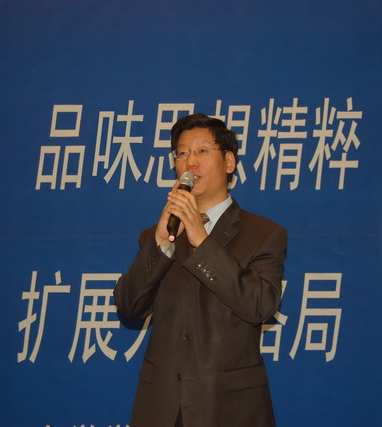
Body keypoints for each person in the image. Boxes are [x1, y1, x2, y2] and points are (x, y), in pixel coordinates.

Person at [114, 113, 287, 427]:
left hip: (230, 409)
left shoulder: (264, 234)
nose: (190, 162)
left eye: (202, 151)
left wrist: (201, 240)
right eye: (182, 153)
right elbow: (128, 306)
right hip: (162, 409)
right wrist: (160, 244)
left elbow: (260, 305)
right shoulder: (159, 234)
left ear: (229, 162)